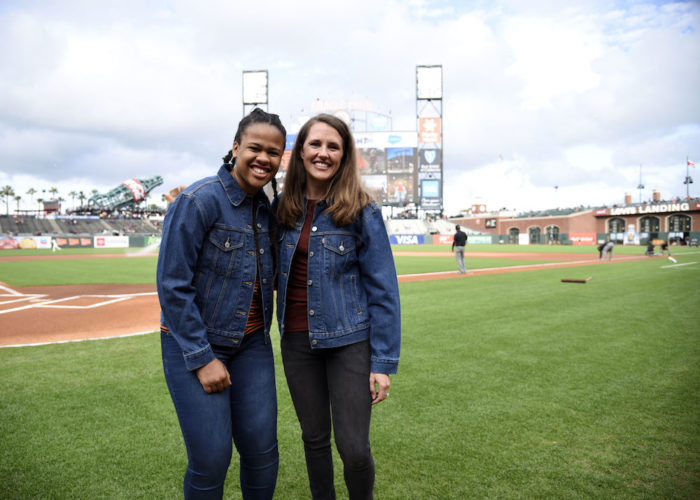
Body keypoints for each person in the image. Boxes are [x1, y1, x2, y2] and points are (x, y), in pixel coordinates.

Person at [156, 108, 286, 500]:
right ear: (235, 148)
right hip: (196, 345)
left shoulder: (267, 210)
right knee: (211, 457)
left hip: (252, 346)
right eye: (255, 148)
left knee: (263, 451)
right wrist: (201, 356)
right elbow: (172, 284)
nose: (264, 158)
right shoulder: (198, 201)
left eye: (274, 152)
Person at [275, 113, 401, 500]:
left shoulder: (362, 210)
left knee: (354, 448)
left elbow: (384, 290)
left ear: (344, 156)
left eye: (334, 147)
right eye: (315, 144)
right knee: (314, 439)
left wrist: (382, 363)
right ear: (300, 153)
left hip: (349, 342)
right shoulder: (282, 208)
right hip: (297, 343)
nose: (323, 153)